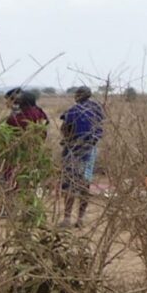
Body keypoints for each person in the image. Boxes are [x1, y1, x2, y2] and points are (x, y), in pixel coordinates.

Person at [60, 86, 103, 225]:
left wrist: (66, 139)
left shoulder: (73, 111)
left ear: (78, 96)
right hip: (90, 152)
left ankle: (67, 217)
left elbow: (66, 128)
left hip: (73, 151)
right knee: (85, 184)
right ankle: (81, 218)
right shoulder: (97, 110)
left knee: (70, 184)